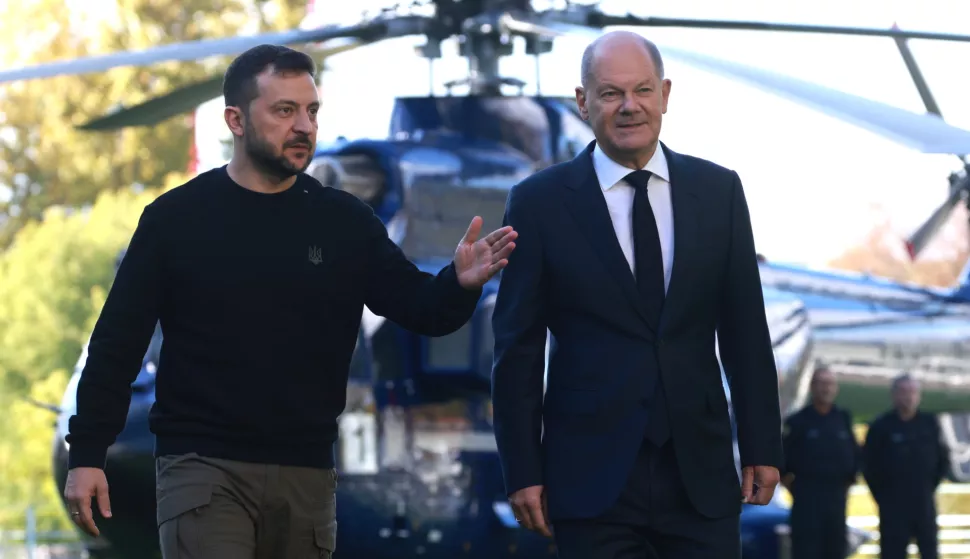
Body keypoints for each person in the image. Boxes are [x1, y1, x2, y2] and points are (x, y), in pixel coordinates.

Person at [61, 44, 518, 559]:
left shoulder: (344, 223)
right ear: (235, 119)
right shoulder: (175, 220)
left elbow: (420, 308)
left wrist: (459, 282)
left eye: (312, 111)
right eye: (284, 111)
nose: (303, 126)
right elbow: (116, 346)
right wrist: (89, 454)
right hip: (203, 469)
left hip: (306, 474)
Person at [490, 30, 783, 559]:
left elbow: (745, 332)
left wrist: (763, 445)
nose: (630, 107)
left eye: (643, 91)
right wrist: (522, 470)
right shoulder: (537, 203)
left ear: (665, 94)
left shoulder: (720, 192)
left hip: (701, 478)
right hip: (590, 483)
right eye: (610, 93)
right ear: (582, 102)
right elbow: (518, 350)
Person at [863, 373, 949, 559]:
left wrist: (927, 488)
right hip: (892, 507)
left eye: (912, 392)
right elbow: (869, 467)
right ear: (893, 395)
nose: (908, 396)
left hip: (923, 504)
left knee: (930, 552)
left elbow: (943, 461)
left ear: (919, 395)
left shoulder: (930, 424)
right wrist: (884, 498)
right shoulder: (880, 426)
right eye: (903, 391)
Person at [781, 365, 861, 559]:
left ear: (836, 388)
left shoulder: (843, 418)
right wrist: (795, 487)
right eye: (821, 383)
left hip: (836, 499)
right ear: (812, 387)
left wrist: (849, 480)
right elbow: (781, 461)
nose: (826, 388)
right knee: (806, 551)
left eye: (830, 384)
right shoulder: (797, 421)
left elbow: (855, 455)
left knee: (835, 550)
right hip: (806, 500)